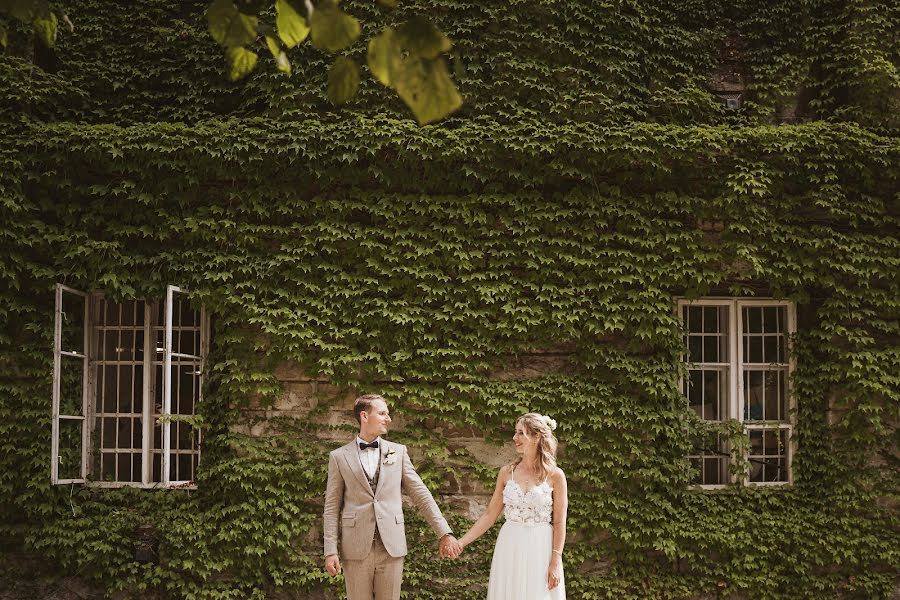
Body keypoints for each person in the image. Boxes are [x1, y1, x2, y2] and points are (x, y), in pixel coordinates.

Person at [323, 393, 462, 600]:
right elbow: (332, 507)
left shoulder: (398, 452)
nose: (388, 418)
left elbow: (420, 493)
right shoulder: (339, 457)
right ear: (364, 416)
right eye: (382, 413)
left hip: (392, 546)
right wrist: (330, 550)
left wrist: (444, 533)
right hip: (356, 546)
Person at [458, 413, 567, 599]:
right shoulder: (506, 473)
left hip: (540, 546)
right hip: (509, 544)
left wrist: (555, 560)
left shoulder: (555, 475)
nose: (514, 438)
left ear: (536, 436)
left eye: (520, 433)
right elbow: (489, 515)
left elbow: (559, 522)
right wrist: (461, 542)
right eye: (515, 433)